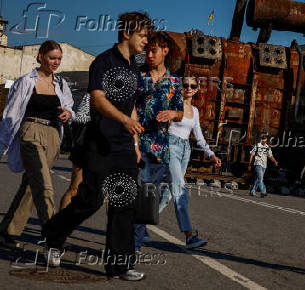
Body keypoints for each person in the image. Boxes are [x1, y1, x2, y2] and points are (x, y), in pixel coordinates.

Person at [41, 12, 151, 281]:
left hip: (124, 145)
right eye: (143, 35)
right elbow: (98, 100)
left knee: (125, 202)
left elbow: (132, 105)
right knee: (90, 200)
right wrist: (124, 119)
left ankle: (120, 265)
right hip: (100, 142)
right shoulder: (103, 62)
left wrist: (135, 141)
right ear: (127, 33)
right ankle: (54, 234)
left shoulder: (135, 65)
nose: (146, 41)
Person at [0, 40, 74, 248]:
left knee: (31, 186)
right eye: (52, 58)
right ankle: (53, 237)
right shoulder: (25, 82)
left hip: (52, 135)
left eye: (59, 58)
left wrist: (68, 113)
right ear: (40, 57)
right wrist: (2, 144)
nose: (56, 62)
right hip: (30, 133)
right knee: (44, 186)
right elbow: (11, 115)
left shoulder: (61, 83)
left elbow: (70, 107)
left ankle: (6, 231)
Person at [134, 31, 184, 251]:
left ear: (165, 51)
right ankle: (122, 244)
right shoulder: (137, 75)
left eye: (154, 50)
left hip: (158, 148)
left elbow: (181, 112)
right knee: (130, 195)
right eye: (147, 50)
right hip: (134, 143)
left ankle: (132, 248)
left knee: (146, 199)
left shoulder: (174, 82)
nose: (149, 54)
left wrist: (173, 114)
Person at [163, 75, 221, 249]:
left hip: (185, 150)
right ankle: (189, 235)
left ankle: (138, 226)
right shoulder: (172, 104)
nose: (188, 87)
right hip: (171, 146)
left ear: (196, 90)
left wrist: (210, 153)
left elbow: (199, 136)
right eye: (185, 84)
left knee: (168, 193)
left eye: (192, 85)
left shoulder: (195, 111)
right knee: (180, 189)